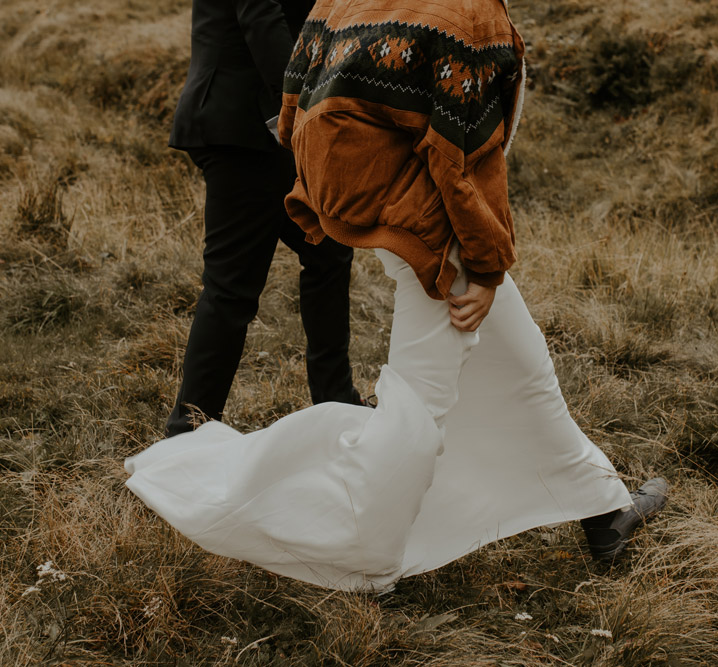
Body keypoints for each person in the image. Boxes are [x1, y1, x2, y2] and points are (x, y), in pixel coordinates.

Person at [127, 0, 667, 591]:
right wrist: (485, 265)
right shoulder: (466, 18)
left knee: (523, 363)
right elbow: (463, 156)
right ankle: (356, 551)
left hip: (388, 213)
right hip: (437, 230)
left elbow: (300, 81)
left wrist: (328, 189)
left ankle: (603, 510)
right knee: (417, 409)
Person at [163, 0, 363, 438]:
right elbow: (259, 14)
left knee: (329, 252)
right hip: (246, 124)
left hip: (271, 126)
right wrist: (303, 107)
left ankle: (337, 404)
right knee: (233, 287)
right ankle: (187, 436)